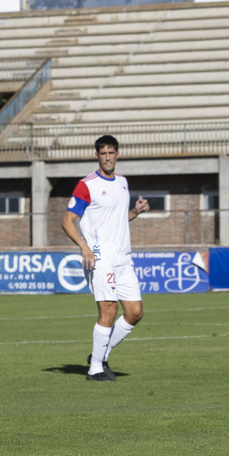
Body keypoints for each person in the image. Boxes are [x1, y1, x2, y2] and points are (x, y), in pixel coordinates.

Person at [61, 134, 149, 381]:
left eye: (112, 152)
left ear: (118, 154)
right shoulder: (86, 185)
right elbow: (67, 220)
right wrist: (83, 245)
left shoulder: (122, 182)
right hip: (100, 257)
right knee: (108, 310)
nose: (108, 157)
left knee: (134, 313)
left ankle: (100, 354)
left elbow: (118, 219)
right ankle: (95, 369)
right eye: (103, 153)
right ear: (97, 155)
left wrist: (135, 211)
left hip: (123, 257)